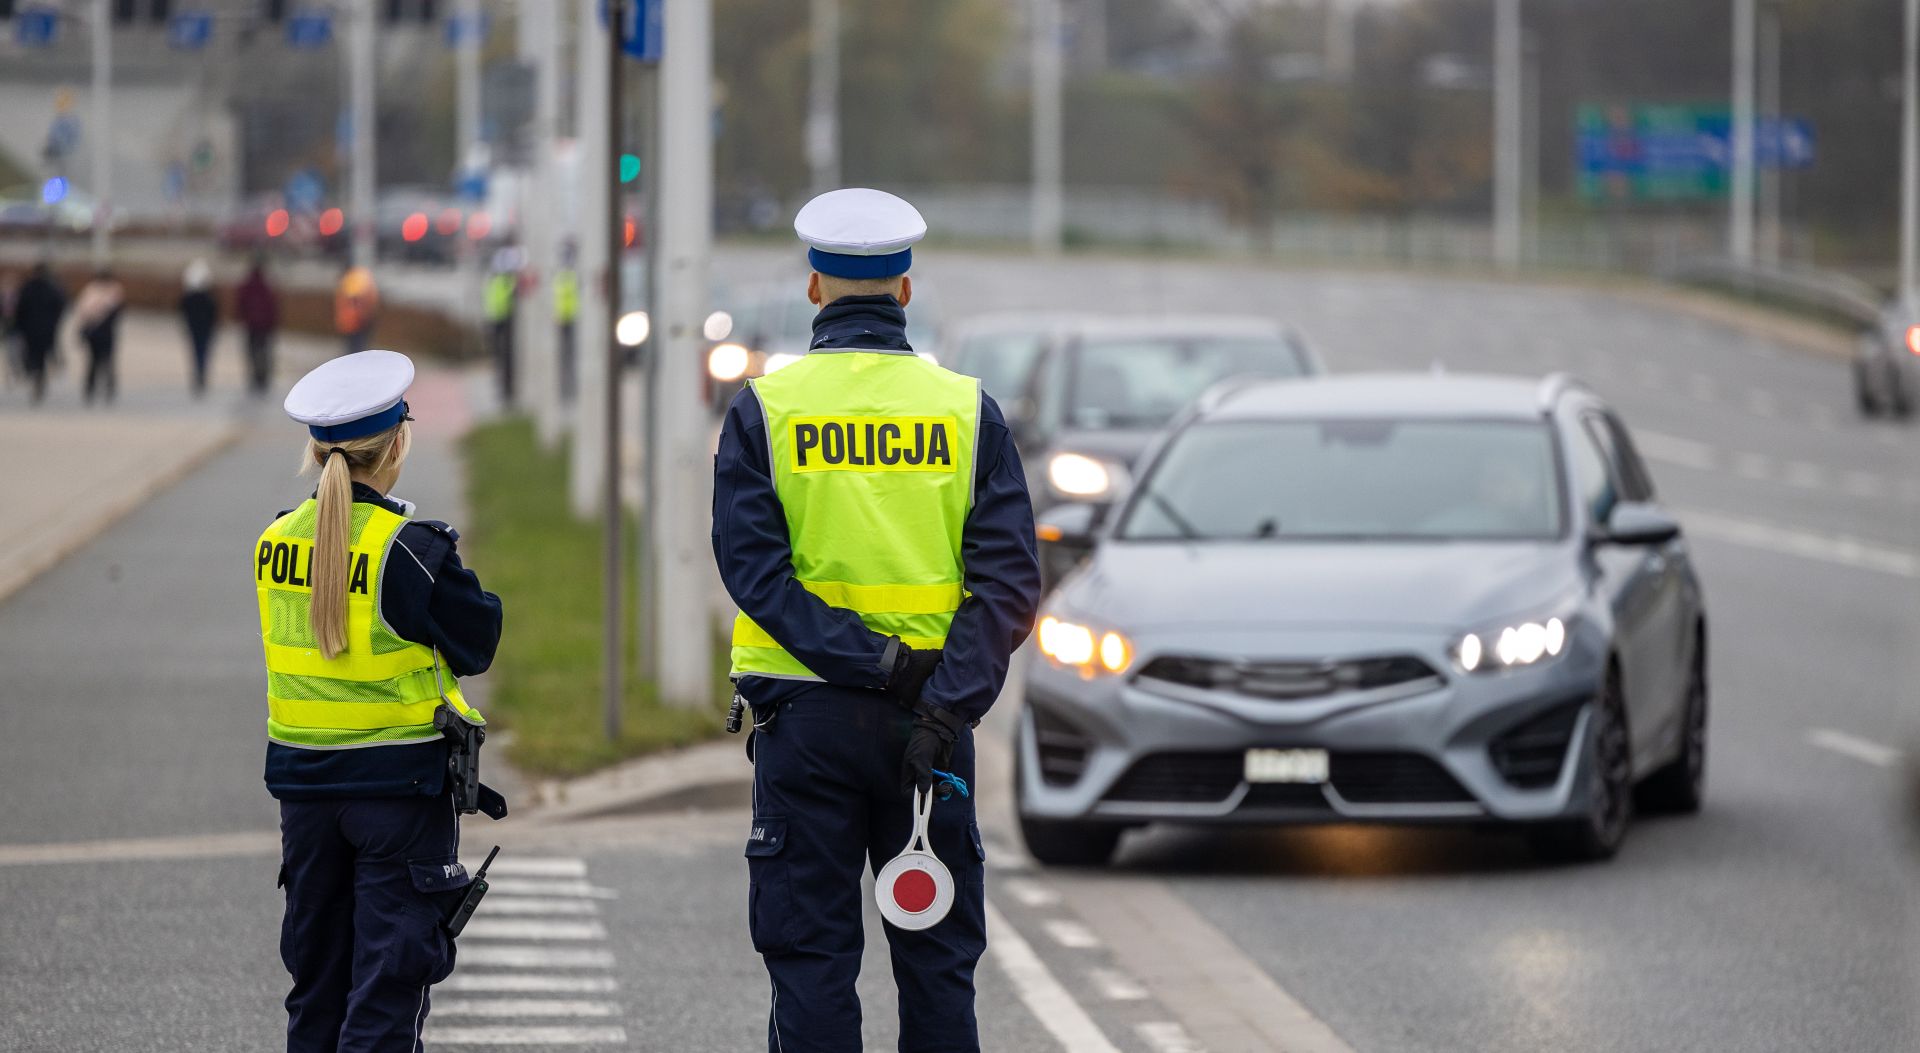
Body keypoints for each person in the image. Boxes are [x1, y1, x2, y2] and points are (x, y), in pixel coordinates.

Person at [711, 188, 1042, 1052]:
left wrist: (872, 660)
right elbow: (1008, 584)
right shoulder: (966, 411)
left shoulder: (764, 410)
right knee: (937, 966)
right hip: (931, 726)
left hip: (806, 721)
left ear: (813, 287)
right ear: (905, 288)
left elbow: (757, 575)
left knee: (813, 963)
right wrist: (941, 701)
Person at [264, 349, 506, 1052]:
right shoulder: (412, 551)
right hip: (398, 796)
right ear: (398, 443)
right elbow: (478, 641)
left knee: (316, 992)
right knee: (385, 995)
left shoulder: (274, 541)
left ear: (317, 452)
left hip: (304, 794)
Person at [13, 262, 67, 404]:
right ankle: (39, 376)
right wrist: (54, 323)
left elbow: (19, 308)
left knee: (31, 353)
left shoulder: (27, 287)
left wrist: (18, 326)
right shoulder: (52, 288)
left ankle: (33, 371)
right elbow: (60, 306)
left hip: (29, 328)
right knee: (41, 355)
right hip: (46, 328)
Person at [72, 269, 125, 405]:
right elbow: (119, 313)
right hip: (105, 333)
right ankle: (106, 388)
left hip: (95, 333)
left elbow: (83, 312)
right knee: (105, 361)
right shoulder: (114, 291)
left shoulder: (91, 290)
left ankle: (92, 388)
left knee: (94, 362)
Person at [236, 258, 282, 397]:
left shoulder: (246, 285)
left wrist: (243, 318)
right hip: (265, 326)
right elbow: (273, 306)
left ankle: (255, 376)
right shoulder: (267, 286)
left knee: (252, 352)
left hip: (251, 325)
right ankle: (262, 377)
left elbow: (241, 304)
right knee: (264, 352)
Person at [483, 249, 518, 406]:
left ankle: (505, 389)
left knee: (502, 357)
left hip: (500, 321)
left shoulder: (496, 280)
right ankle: (505, 390)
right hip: (503, 321)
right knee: (503, 357)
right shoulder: (505, 281)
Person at [179, 259, 219, 397]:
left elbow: (183, 311)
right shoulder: (208, 298)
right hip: (204, 329)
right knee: (203, 352)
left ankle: (199, 374)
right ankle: (201, 374)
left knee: (197, 352)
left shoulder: (189, 298)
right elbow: (213, 314)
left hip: (195, 328)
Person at [552, 246, 580, 403]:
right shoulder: (566, 277)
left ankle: (569, 389)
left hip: (570, 320)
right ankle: (565, 389)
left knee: (569, 356)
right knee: (566, 357)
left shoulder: (565, 277)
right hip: (564, 320)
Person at [335, 262, 381, 357]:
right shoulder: (364, 275)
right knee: (359, 346)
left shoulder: (353, 278)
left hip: (355, 321)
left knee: (355, 348)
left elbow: (354, 298)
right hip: (362, 320)